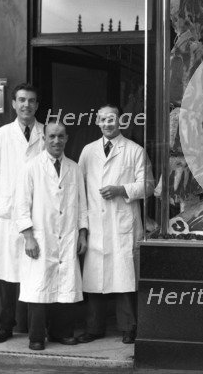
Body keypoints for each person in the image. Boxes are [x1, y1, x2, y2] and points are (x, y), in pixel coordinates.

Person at [77, 104, 154, 344]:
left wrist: (122, 189)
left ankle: (128, 327)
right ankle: (94, 327)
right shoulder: (88, 152)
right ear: (97, 122)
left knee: (124, 278)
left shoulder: (135, 150)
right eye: (103, 119)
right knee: (94, 278)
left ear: (121, 121)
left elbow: (150, 185)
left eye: (112, 119)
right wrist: (82, 228)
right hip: (96, 224)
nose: (107, 123)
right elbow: (79, 190)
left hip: (122, 222)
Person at [14, 121, 88, 350]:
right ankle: (36, 337)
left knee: (65, 285)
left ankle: (61, 333)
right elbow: (21, 205)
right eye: (52, 136)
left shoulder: (74, 168)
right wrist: (28, 237)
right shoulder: (31, 167)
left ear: (66, 139)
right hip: (41, 236)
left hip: (67, 235)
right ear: (44, 138)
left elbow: (82, 205)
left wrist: (82, 234)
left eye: (61, 136)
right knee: (39, 286)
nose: (56, 141)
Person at [0, 83, 45, 343]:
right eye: (21, 100)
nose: (26, 105)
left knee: (37, 273)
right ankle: (4, 326)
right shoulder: (1, 135)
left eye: (31, 101)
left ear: (37, 105)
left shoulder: (46, 134)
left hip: (38, 213)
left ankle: (36, 330)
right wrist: (3, 202)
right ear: (12, 103)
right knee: (7, 274)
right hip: (9, 216)